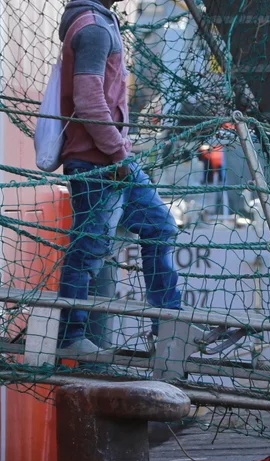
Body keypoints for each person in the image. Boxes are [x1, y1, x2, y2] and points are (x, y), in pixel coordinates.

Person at [56, 0, 183, 357]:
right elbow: (88, 100)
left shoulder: (96, 21)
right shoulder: (94, 27)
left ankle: (169, 326)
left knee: (160, 226)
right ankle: (70, 337)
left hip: (110, 159)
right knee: (88, 250)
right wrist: (119, 153)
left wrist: (118, 154)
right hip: (99, 162)